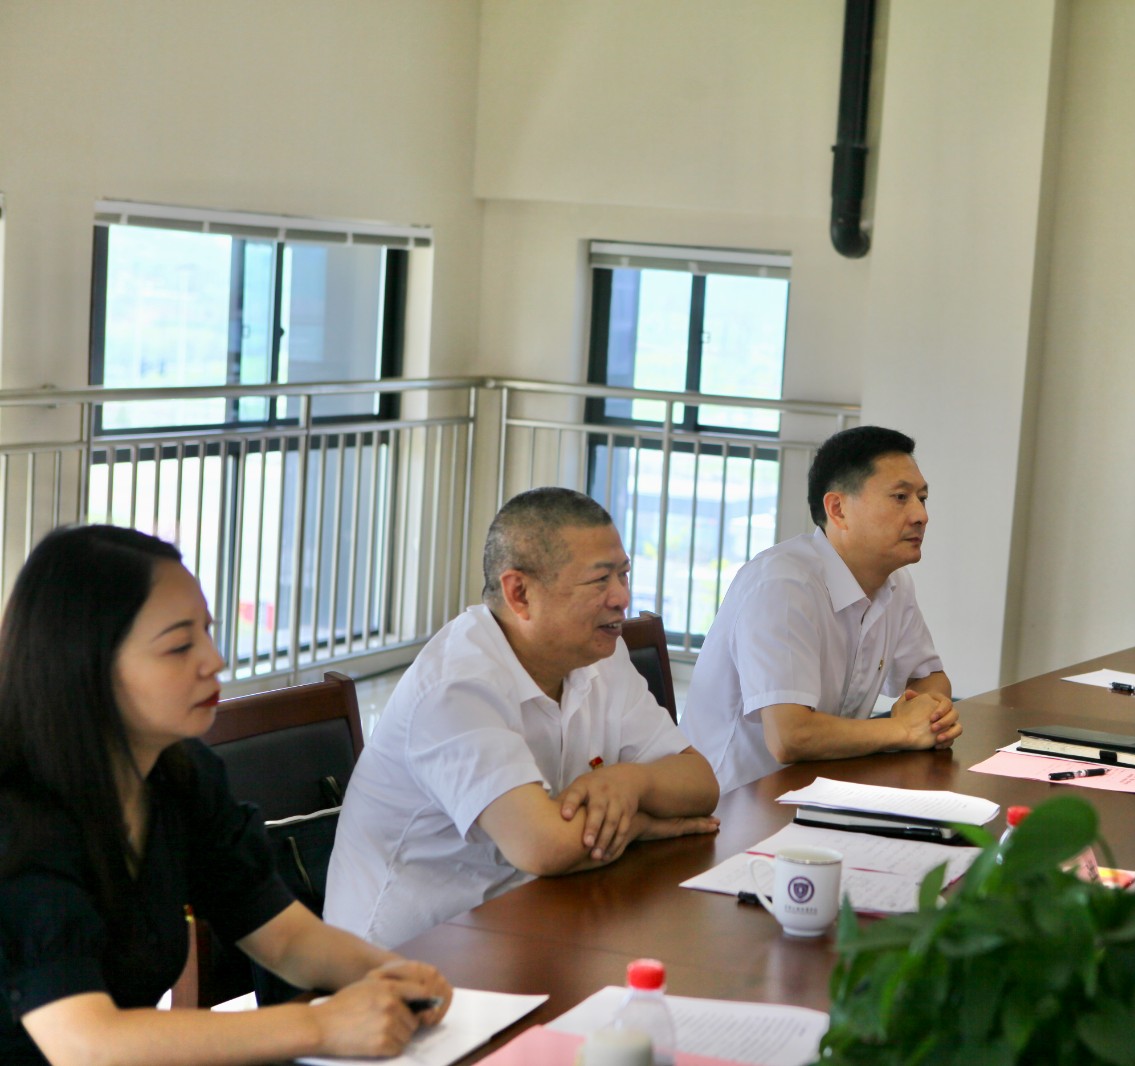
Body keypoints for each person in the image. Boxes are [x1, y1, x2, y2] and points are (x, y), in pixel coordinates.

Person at [0, 525, 452, 1066]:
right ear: (84, 666)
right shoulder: (18, 815)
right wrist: (319, 1024)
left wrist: (391, 974)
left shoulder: (179, 775)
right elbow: (84, 1044)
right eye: (179, 646)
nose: (214, 659)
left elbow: (284, 938)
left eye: (208, 632)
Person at [325, 488, 720, 949]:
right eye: (600, 580)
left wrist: (632, 782)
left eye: (623, 574)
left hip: (527, 922)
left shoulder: (599, 654)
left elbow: (700, 783)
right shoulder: (456, 685)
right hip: (403, 959)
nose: (622, 597)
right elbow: (544, 846)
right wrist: (642, 826)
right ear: (520, 593)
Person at [681, 425, 958, 791]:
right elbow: (790, 736)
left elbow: (929, 677)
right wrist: (903, 728)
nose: (921, 515)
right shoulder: (783, 585)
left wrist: (929, 714)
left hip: (818, 788)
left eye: (922, 498)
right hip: (730, 800)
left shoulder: (895, 583)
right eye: (900, 497)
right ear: (838, 509)